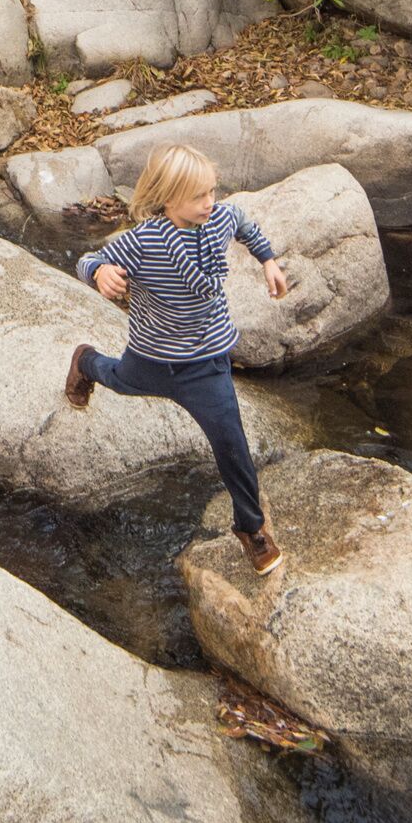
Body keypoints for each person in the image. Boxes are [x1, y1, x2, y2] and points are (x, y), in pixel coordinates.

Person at [61, 144, 294, 573]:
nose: (210, 202)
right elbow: (86, 258)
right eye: (199, 196)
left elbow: (245, 224)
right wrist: (99, 272)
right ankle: (86, 362)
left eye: (212, 191)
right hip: (151, 358)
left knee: (231, 444)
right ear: (168, 199)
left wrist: (268, 260)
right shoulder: (143, 241)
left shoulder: (220, 217)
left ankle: (251, 526)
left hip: (206, 364)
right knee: (116, 377)